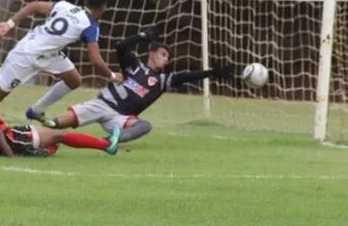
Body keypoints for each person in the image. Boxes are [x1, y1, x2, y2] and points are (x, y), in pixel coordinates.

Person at [0, 0, 122, 151]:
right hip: (26, 56)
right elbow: (95, 59)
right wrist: (112, 75)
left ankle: (36, 110)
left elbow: (35, 6)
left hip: (48, 54)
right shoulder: (90, 25)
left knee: (74, 79)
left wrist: (10, 23)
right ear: (104, 7)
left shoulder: (65, 6)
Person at [42, 28, 233, 142]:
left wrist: (213, 72)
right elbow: (121, 46)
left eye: (168, 57)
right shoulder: (134, 66)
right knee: (55, 123)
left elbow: (188, 76)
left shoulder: (162, 81)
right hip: (101, 104)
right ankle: (37, 130)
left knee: (145, 125)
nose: (166, 60)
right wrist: (141, 36)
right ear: (151, 53)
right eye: (163, 54)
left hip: (120, 118)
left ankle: (111, 140)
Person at [0, 66, 120, 156]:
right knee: (59, 136)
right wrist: (11, 157)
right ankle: (106, 146)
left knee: (49, 141)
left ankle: (41, 150)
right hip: (7, 140)